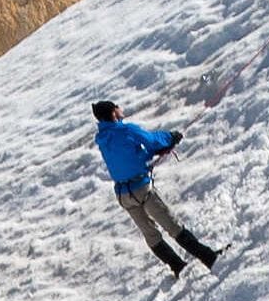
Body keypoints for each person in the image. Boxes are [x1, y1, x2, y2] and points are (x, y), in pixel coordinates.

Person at [91, 100, 225, 272]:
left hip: (123, 195)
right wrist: (171, 137)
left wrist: (151, 153)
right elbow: (153, 141)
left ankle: (177, 267)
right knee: (172, 226)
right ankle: (210, 258)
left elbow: (127, 157)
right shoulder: (126, 130)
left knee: (151, 235)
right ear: (113, 112)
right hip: (141, 189)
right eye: (117, 107)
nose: (121, 108)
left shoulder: (102, 139)